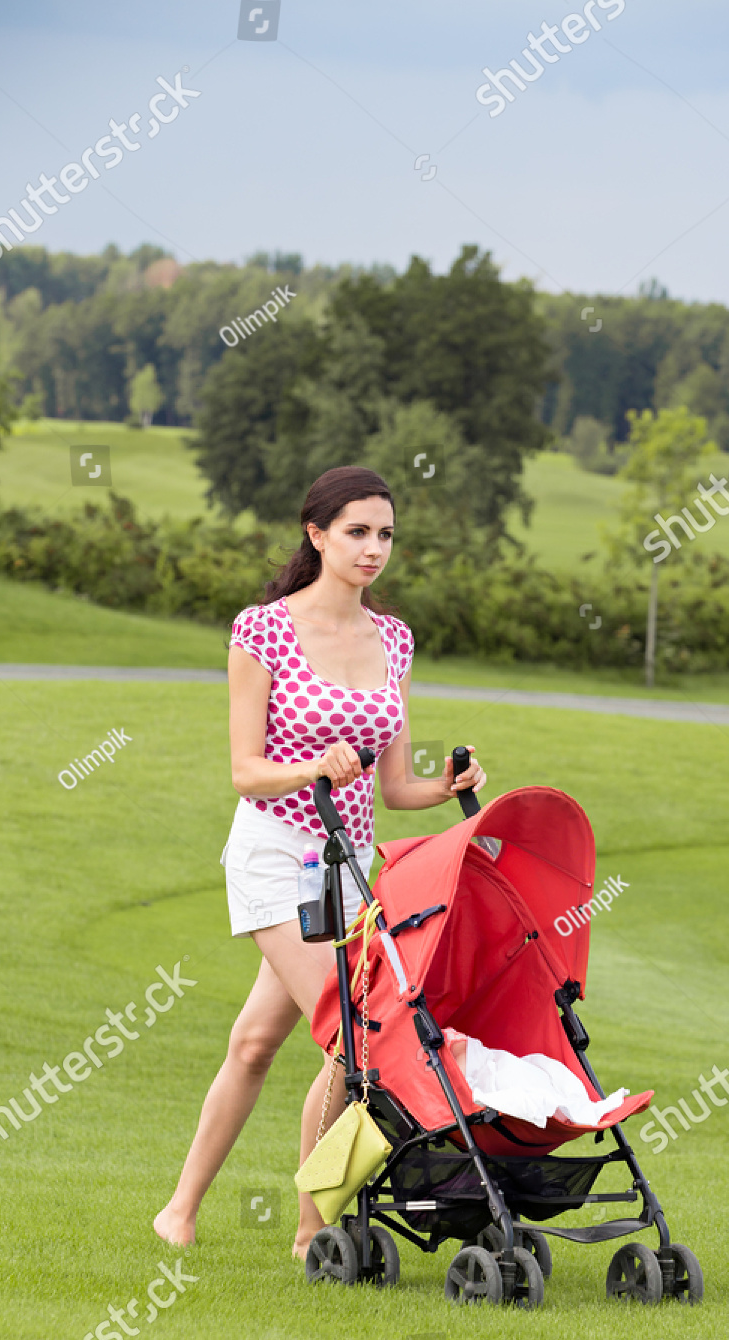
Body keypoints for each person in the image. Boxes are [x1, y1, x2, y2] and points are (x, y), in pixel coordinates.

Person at [154, 465, 486, 1257]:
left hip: (346, 867)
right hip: (276, 854)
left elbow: (394, 785)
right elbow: (244, 769)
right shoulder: (261, 629)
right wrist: (312, 767)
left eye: (385, 535)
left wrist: (449, 784)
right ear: (316, 534)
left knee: (254, 1044)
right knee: (355, 1039)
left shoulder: (394, 639)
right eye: (357, 532)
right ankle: (313, 1228)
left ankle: (178, 1210)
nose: (374, 549)